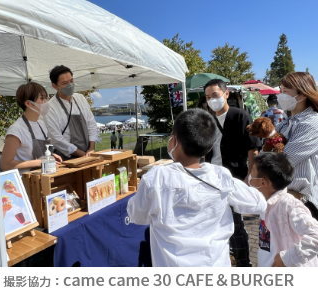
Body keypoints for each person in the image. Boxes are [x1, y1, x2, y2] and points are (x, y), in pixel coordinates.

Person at [126, 109, 266, 267]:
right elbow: (258, 203)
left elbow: (137, 216)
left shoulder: (157, 177)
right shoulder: (220, 176)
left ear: (174, 140)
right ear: (209, 148)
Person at [203, 79, 261, 268]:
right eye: (208, 97)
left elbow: (253, 148)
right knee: (216, 221)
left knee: (236, 224)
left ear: (226, 93)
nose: (212, 100)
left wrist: (250, 175)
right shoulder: (208, 119)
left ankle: (244, 264)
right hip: (212, 177)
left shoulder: (240, 116)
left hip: (234, 176)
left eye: (215, 95)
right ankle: (225, 260)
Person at [249, 152, 318, 267]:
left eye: (252, 171)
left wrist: (288, 257)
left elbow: (316, 236)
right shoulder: (266, 201)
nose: (250, 175)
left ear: (263, 182)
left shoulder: (290, 206)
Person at [275, 72, 318, 218]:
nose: (281, 96)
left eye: (285, 92)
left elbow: (283, 161)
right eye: (280, 91)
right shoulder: (285, 124)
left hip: (303, 202)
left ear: (303, 94)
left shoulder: (312, 124)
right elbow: (268, 153)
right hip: (284, 197)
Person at [0, 82, 62, 172]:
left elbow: (39, 154)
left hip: (43, 178)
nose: (46, 102)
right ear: (28, 103)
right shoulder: (16, 129)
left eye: (46, 98)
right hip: (26, 181)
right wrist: (39, 162)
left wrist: (50, 157)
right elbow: (5, 164)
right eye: (42, 98)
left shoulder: (41, 124)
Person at [41, 65, 100, 160]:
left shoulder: (80, 98)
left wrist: (91, 148)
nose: (70, 85)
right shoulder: (50, 107)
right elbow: (56, 139)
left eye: (71, 81)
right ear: (55, 86)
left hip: (88, 153)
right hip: (66, 157)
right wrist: (82, 154)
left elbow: (91, 124)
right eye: (65, 83)